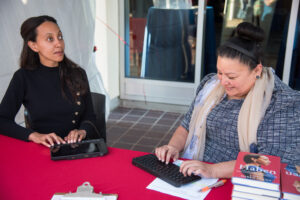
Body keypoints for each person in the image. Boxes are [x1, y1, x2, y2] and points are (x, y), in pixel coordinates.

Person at [155, 22, 300, 178]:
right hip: (195, 171)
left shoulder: (279, 104)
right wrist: (173, 147)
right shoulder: (210, 86)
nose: (223, 81)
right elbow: (187, 126)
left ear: (257, 70)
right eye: (220, 72)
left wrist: (213, 170)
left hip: (238, 182)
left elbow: (271, 162)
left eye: (231, 77)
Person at [0, 15, 98, 148]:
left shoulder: (78, 73)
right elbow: (2, 120)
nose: (59, 43)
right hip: (43, 151)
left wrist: (82, 131)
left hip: (76, 149)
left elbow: (90, 116)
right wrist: (34, 135)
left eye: (60, 37)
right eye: (50, 39)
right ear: (34, 46)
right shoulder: (23, 77)